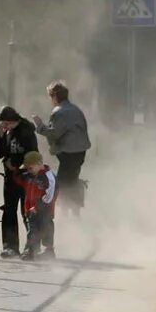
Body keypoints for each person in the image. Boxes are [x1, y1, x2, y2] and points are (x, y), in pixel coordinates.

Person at [32, 81, 91, 215]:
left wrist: (40, 126)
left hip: (68, 152)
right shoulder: (75, 109)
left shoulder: (59, 112)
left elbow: (54, 132)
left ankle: (64, 213)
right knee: (73, 179)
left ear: (54, 96)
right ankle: (75, 212)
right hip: (80, 151)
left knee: (63, 184)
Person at [0, 106, 39, 258]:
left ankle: (31, 247)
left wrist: (17, 166)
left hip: (26, 178)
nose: (4, 127)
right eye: (3, 125)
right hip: (10, 178)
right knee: (9, 211)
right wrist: (0, 136)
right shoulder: (6, 132)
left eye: (6, 123)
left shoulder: (27, 131)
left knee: (27, 211)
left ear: (12, 120)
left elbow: (32, 155)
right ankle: (10, 246)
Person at [15, 151, 57, 261]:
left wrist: (38, 207)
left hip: (45, 210)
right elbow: (19, 179)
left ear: (39, 164)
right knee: (32, 230)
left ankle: (48, 251)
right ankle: (31, 250)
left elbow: (49, 196)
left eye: (30, 168)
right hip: (30, 210)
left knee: (46, 227)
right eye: (27, 168)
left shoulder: (49, 176)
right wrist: (17, 170)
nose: (28, 170)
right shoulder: (29, 175)